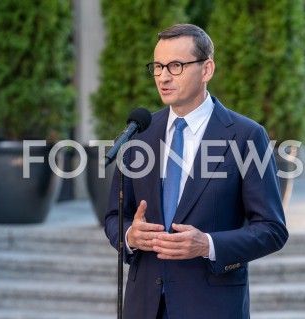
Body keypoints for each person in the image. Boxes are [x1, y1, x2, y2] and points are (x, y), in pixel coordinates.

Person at [104, 23, 288, 319]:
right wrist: (129, 236)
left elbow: (272, 229)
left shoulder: (245, 136)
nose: (163, 76)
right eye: (158, 66)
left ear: (207, 70)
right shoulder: (139, 134)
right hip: (143, 306)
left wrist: (208, 245)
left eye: (176, 66)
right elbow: (115, 215)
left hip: (210, 306)